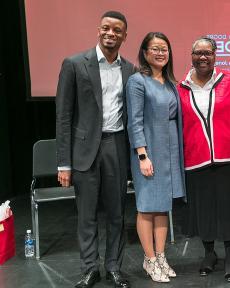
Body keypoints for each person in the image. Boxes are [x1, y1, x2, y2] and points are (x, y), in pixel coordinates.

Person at [55, 11, 134, 288]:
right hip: (85, 151)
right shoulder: (75, 64)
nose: (110, 33)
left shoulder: (129, 69)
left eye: (117, 30)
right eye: (106, 28)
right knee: (86, 214)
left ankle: (114, 266)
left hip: (116, 146)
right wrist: (63, 163)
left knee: (117, 214)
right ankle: (90, 268)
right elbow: (63, 116)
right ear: (98, 31)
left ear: (125, 35)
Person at [177, 36, 230, 283]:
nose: (203, 57)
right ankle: (209, 254)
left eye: (207, 52)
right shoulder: (180, 87)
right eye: (198, 52)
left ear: (215, 54)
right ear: (191, 56)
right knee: (204, 210)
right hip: (196, 158)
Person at [126, 32, 185, 283]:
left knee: (163, 206)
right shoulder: (137, 81)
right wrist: (142, 155)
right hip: (149, 151)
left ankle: (161, 256)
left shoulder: (171, 82)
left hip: (170, 149)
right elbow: (134, 121)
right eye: (155, 48)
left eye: (165, 49)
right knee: (147, 206)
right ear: (145, 52)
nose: (161, 53)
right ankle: (149, 259)